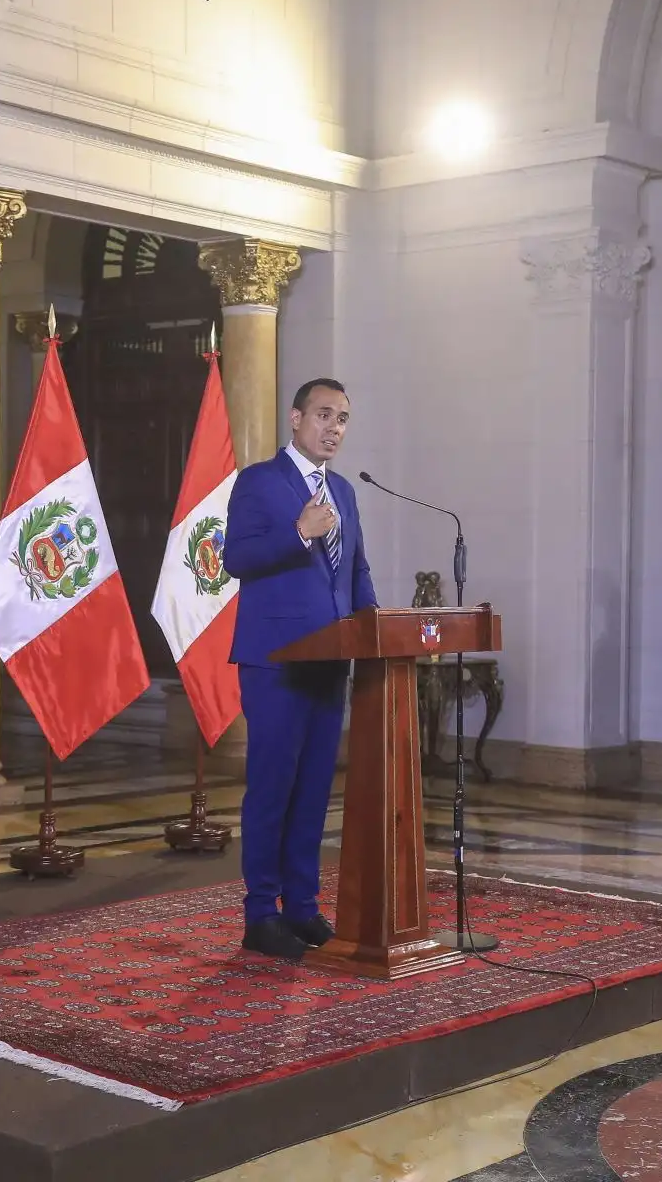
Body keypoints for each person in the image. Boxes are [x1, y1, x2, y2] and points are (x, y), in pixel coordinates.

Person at [224, 378, 377, 960]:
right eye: (322, 415)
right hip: (275, 661)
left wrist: (373, 627)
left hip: (329, 662)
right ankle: (261, 914)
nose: (333, 428)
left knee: (313, 791)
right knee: (273, 789)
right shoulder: (259, 482)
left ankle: (303, 908)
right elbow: (236, 558)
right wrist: (297, 533)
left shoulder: (343, 490)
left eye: (342, 418)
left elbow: (356, 570)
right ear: (295, 418)